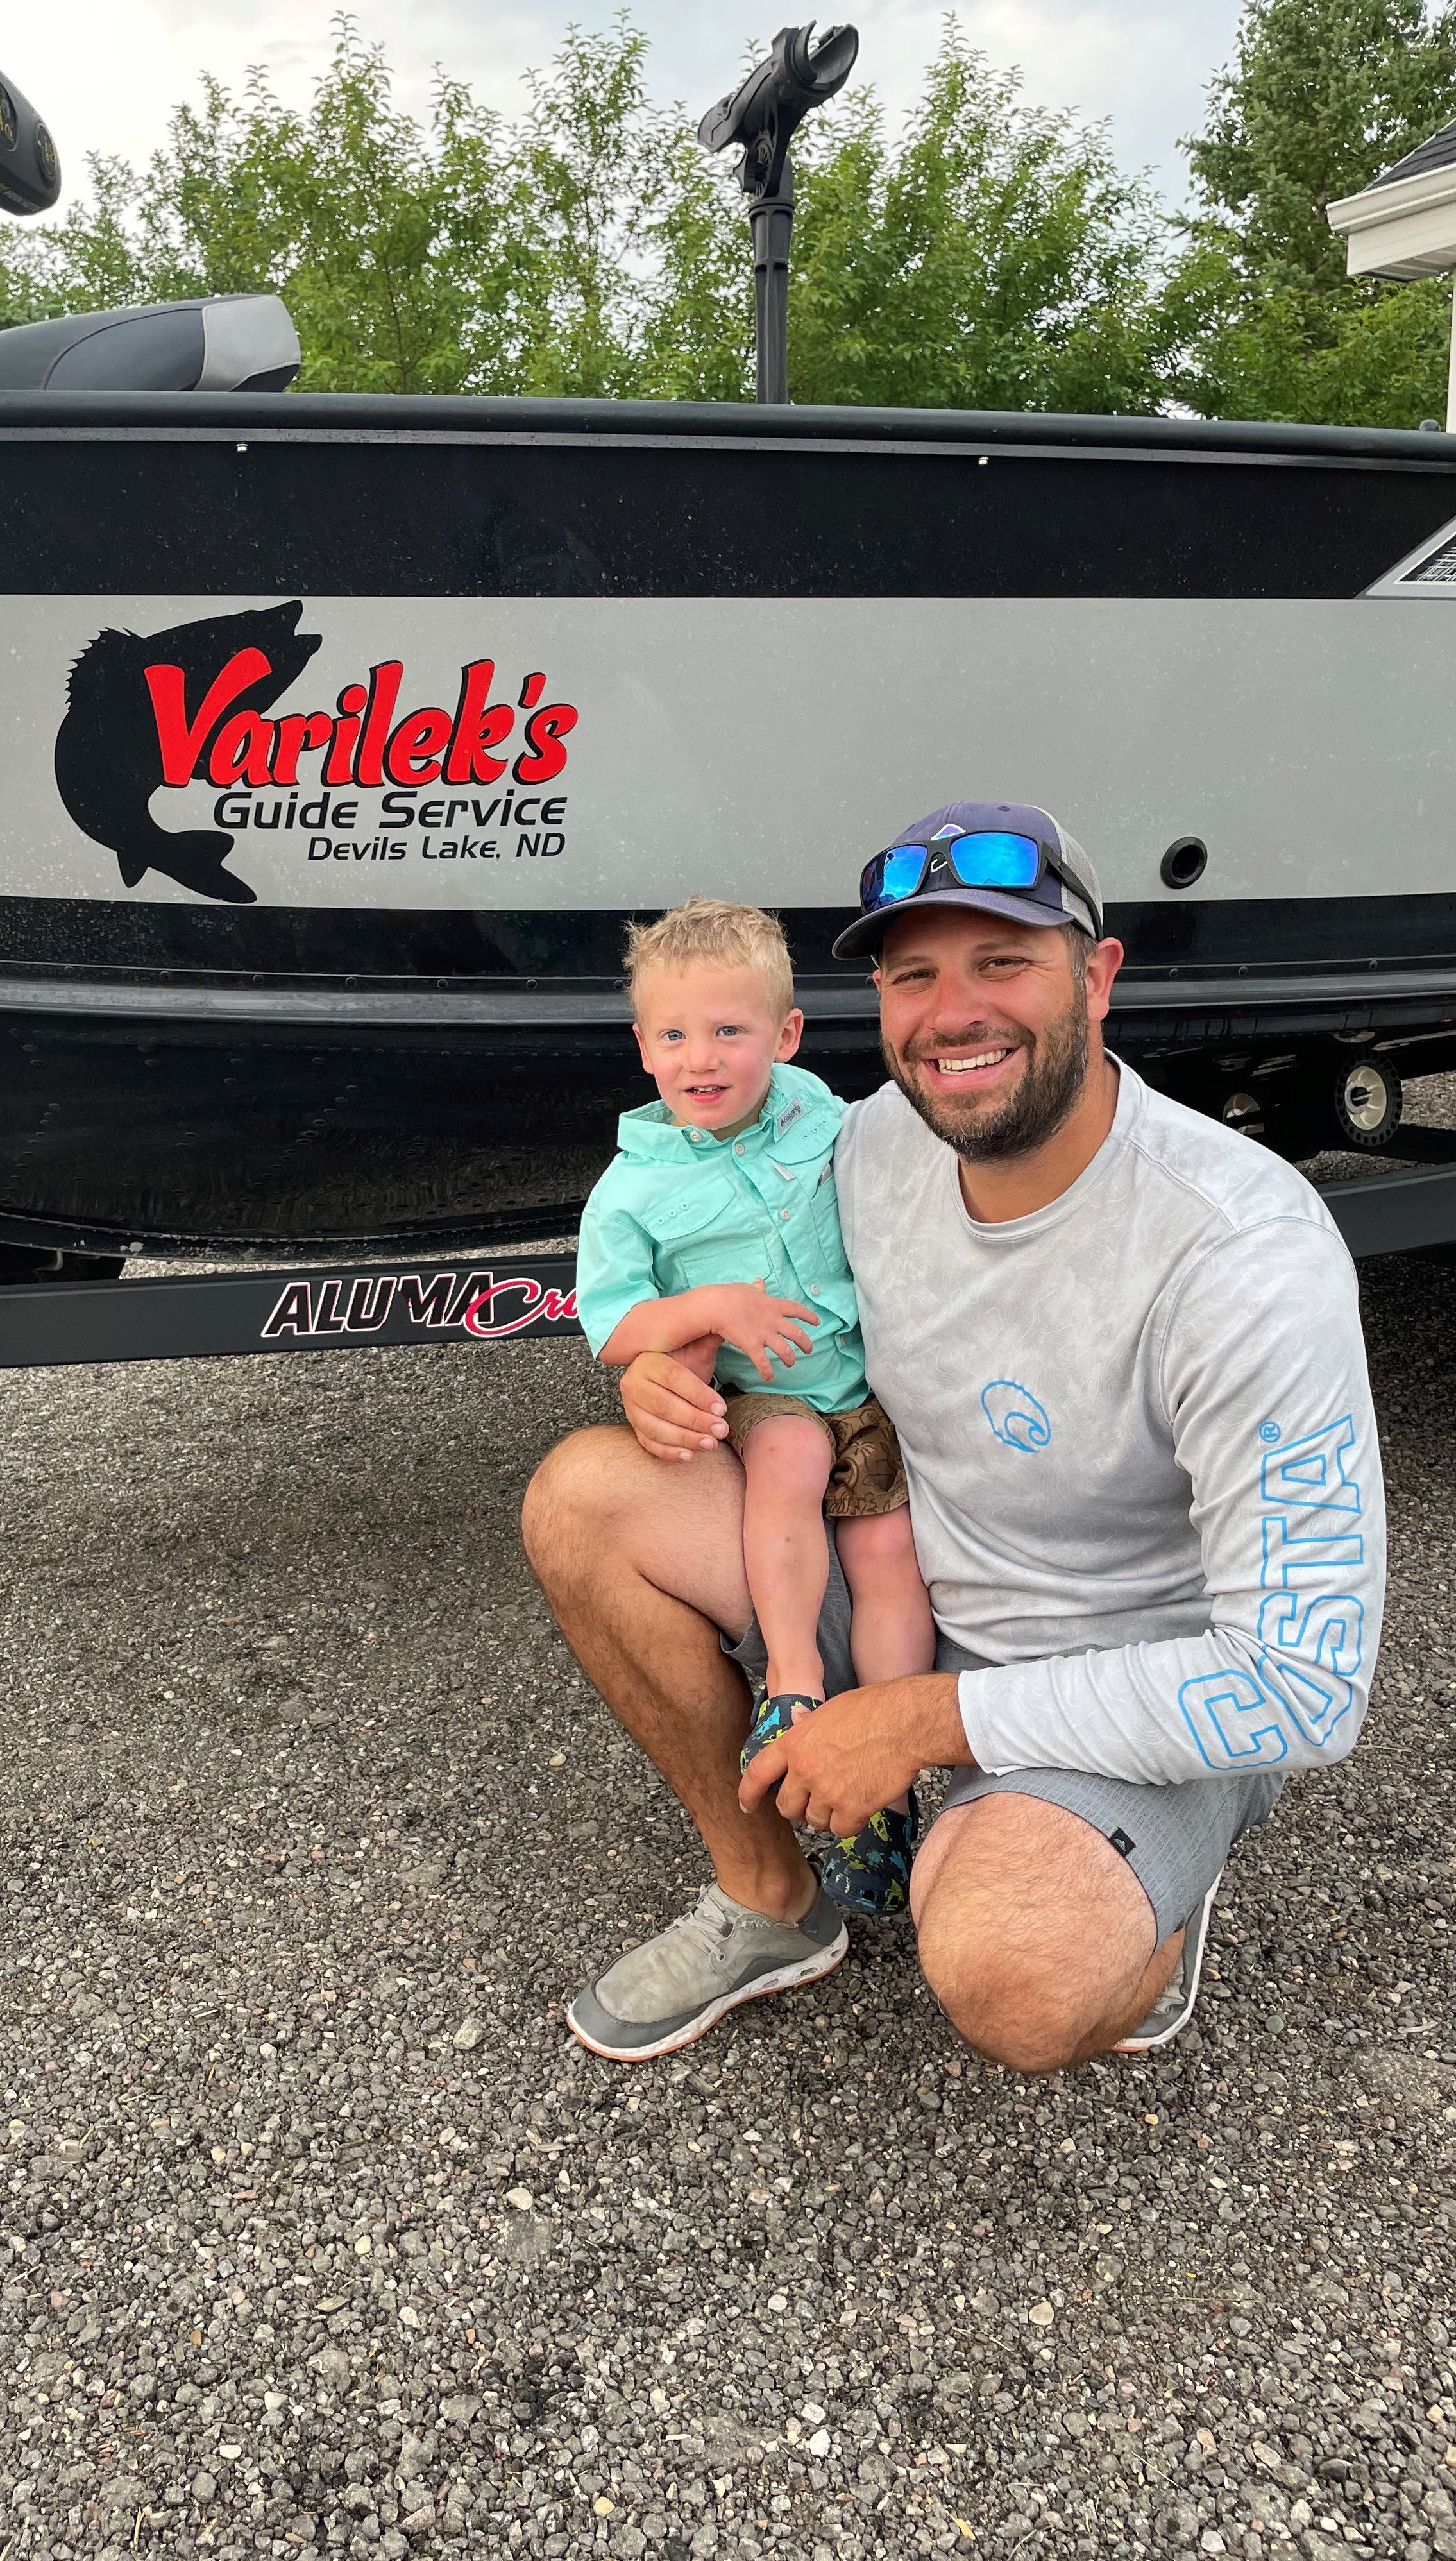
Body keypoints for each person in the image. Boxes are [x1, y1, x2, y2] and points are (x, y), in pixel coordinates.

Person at [524, 801, 1384, 2071]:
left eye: (1003, 961)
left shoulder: (1243, 1257)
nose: (955, 1011)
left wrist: (926, 1722)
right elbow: (732, 1290)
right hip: (906, 1587)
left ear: (1098, 977)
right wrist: (668, 1366)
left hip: (1118, 1670)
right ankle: (771, 1900)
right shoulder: (865, 1148)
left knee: (1014, 1969)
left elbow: (1303, 1686)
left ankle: (1134, 1871)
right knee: (583, 1500)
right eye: (913, 974)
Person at [574, 898, 935, 1923]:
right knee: (786, 1469)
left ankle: (885, 1781)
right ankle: (792, 1684)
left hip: (869, 1386)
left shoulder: (824, 1115)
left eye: (730, 1030)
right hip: (772, 1393)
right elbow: (614, 1325)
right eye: (675, 1035)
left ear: (785, 1036)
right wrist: (709, 1309)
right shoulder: (630, 1191)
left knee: (887, 1555)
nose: (702, 1058)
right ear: (642, 1046)